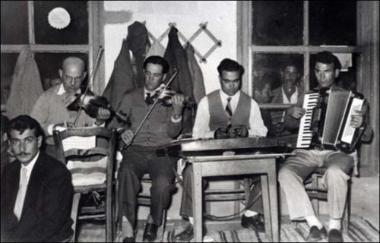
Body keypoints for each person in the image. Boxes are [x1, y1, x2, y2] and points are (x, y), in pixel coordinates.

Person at [278, 51, 372, 242]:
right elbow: (288, 126)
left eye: (327, 71)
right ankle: (314, 223)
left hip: (338, 152)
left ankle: (335, 225)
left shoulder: (355, 99)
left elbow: (368, 136)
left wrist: (361, 123)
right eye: (318, 71)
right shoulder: (307, 96)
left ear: (336, 72)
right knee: (284, 173)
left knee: (336, 172)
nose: (322, 76)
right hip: (309, 150)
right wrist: (290, 113)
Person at [174, 58, 268, 241]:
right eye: (227, 81)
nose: (232, 86)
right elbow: (197, 133)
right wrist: (213, 134)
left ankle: (250, 214)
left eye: (235, 81)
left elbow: (262, 132)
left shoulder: (251, 103)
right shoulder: (206, 102)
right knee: (190, 172)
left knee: (269, 168)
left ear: (240, 79)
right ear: (219, 79)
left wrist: (247, 131)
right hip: (212, 156)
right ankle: (194, 225)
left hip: (242, 157)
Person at [107, 55, 185, 242]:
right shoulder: (130, 97)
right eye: (148, 74)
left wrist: (176, 113)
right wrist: (123, 131)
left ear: (164, 77)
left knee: (164, 183)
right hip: (135, 150)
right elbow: (116, 124)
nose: (150, 80)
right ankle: (127, 228)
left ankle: (153, 220)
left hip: (163, 151)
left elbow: (174, 134)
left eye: (156, 76)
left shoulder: (171, 99)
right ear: (143, 73)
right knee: (126, 173)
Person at [1, 115, 74, 242]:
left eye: (28, 140)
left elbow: (52, 221)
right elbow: (4, 211)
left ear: (39, 141)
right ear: (10, 144)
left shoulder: (56, 172)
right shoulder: (9, 171)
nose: (22, 148)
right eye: (16, 141)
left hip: (48, 237)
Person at [30, 56, 110, 158]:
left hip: (83, 150)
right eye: (68, 77)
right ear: (60, 73)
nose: (72, 83)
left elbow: (96, 129)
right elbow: (32, 127)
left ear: (84, 76)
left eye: (77, 78)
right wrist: (53, 129)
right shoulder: (47, 97)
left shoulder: (89, 99)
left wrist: (99, 121)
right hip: (54, 149)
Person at [268, 61, 304, 136]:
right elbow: (271, 124)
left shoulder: (303, 94)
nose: (290, 76)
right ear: (282, 73)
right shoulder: (272, 95)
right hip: (278, 140)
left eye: (294, 73)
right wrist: (288, 113)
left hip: (298, 138)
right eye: (288, 72)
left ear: (298, 75)